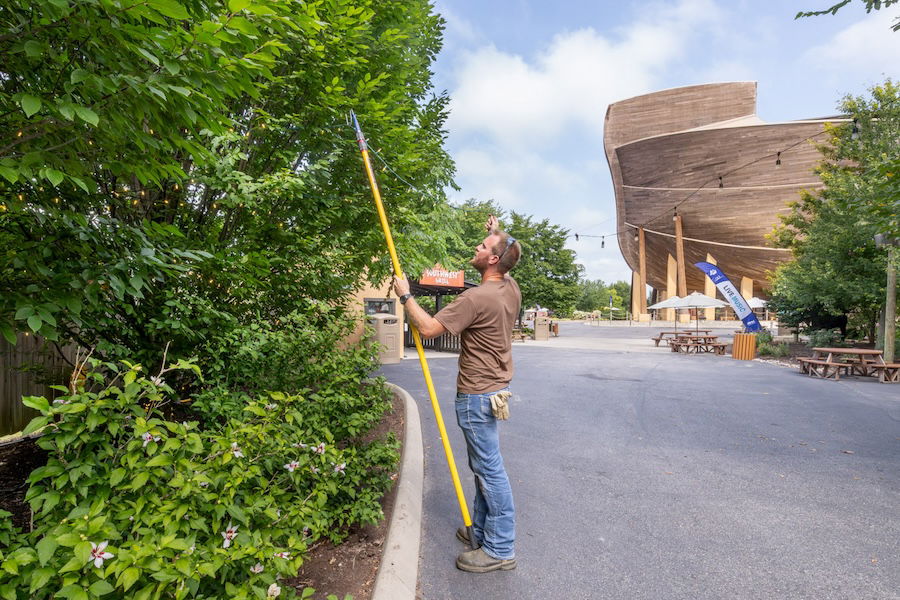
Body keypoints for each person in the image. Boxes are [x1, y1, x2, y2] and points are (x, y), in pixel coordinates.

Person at [392, 214, 522, 573]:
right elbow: (508, 260)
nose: (477, 248)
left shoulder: (475, 298)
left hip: (477, 395)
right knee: (482, 467)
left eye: (483, 247)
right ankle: (481, 530)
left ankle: (499, 548)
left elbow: (430, 328)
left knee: (490, 471)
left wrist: (406, 295)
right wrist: (495, 233)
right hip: (495, 390)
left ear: (493, 260)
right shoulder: (509, 288)